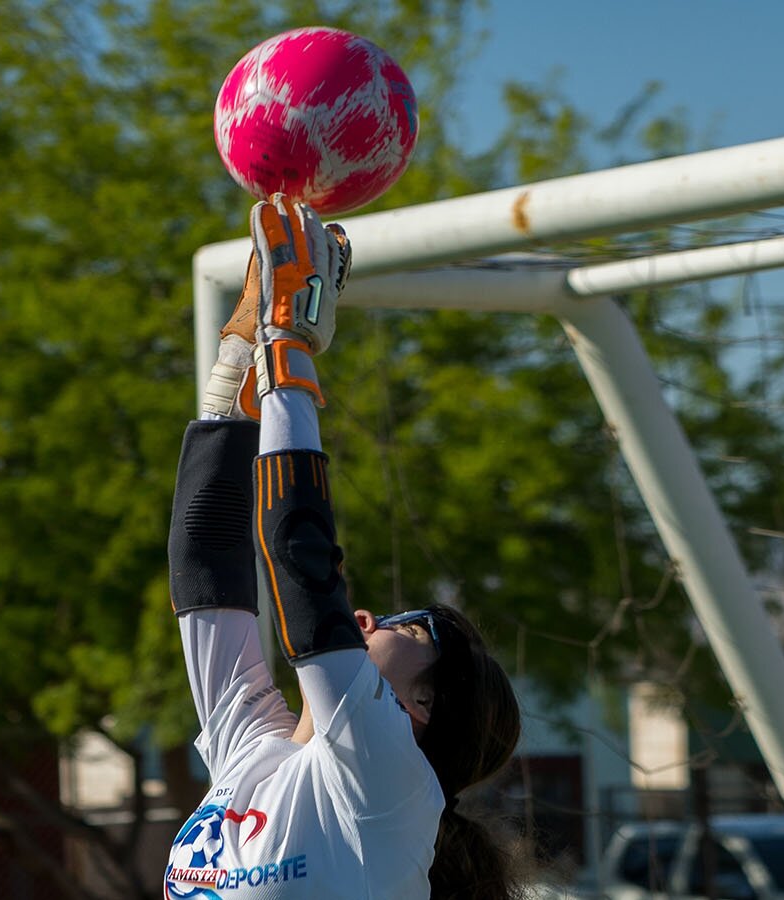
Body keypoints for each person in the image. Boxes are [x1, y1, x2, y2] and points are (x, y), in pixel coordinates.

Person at [164, 194, 524, 899]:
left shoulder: (387, 782)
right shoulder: (256, 756)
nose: (372, 619)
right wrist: (238, 360)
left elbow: (305, 572)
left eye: (405, 627)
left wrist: (289, 351)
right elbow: (207, 564)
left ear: (421, 710)